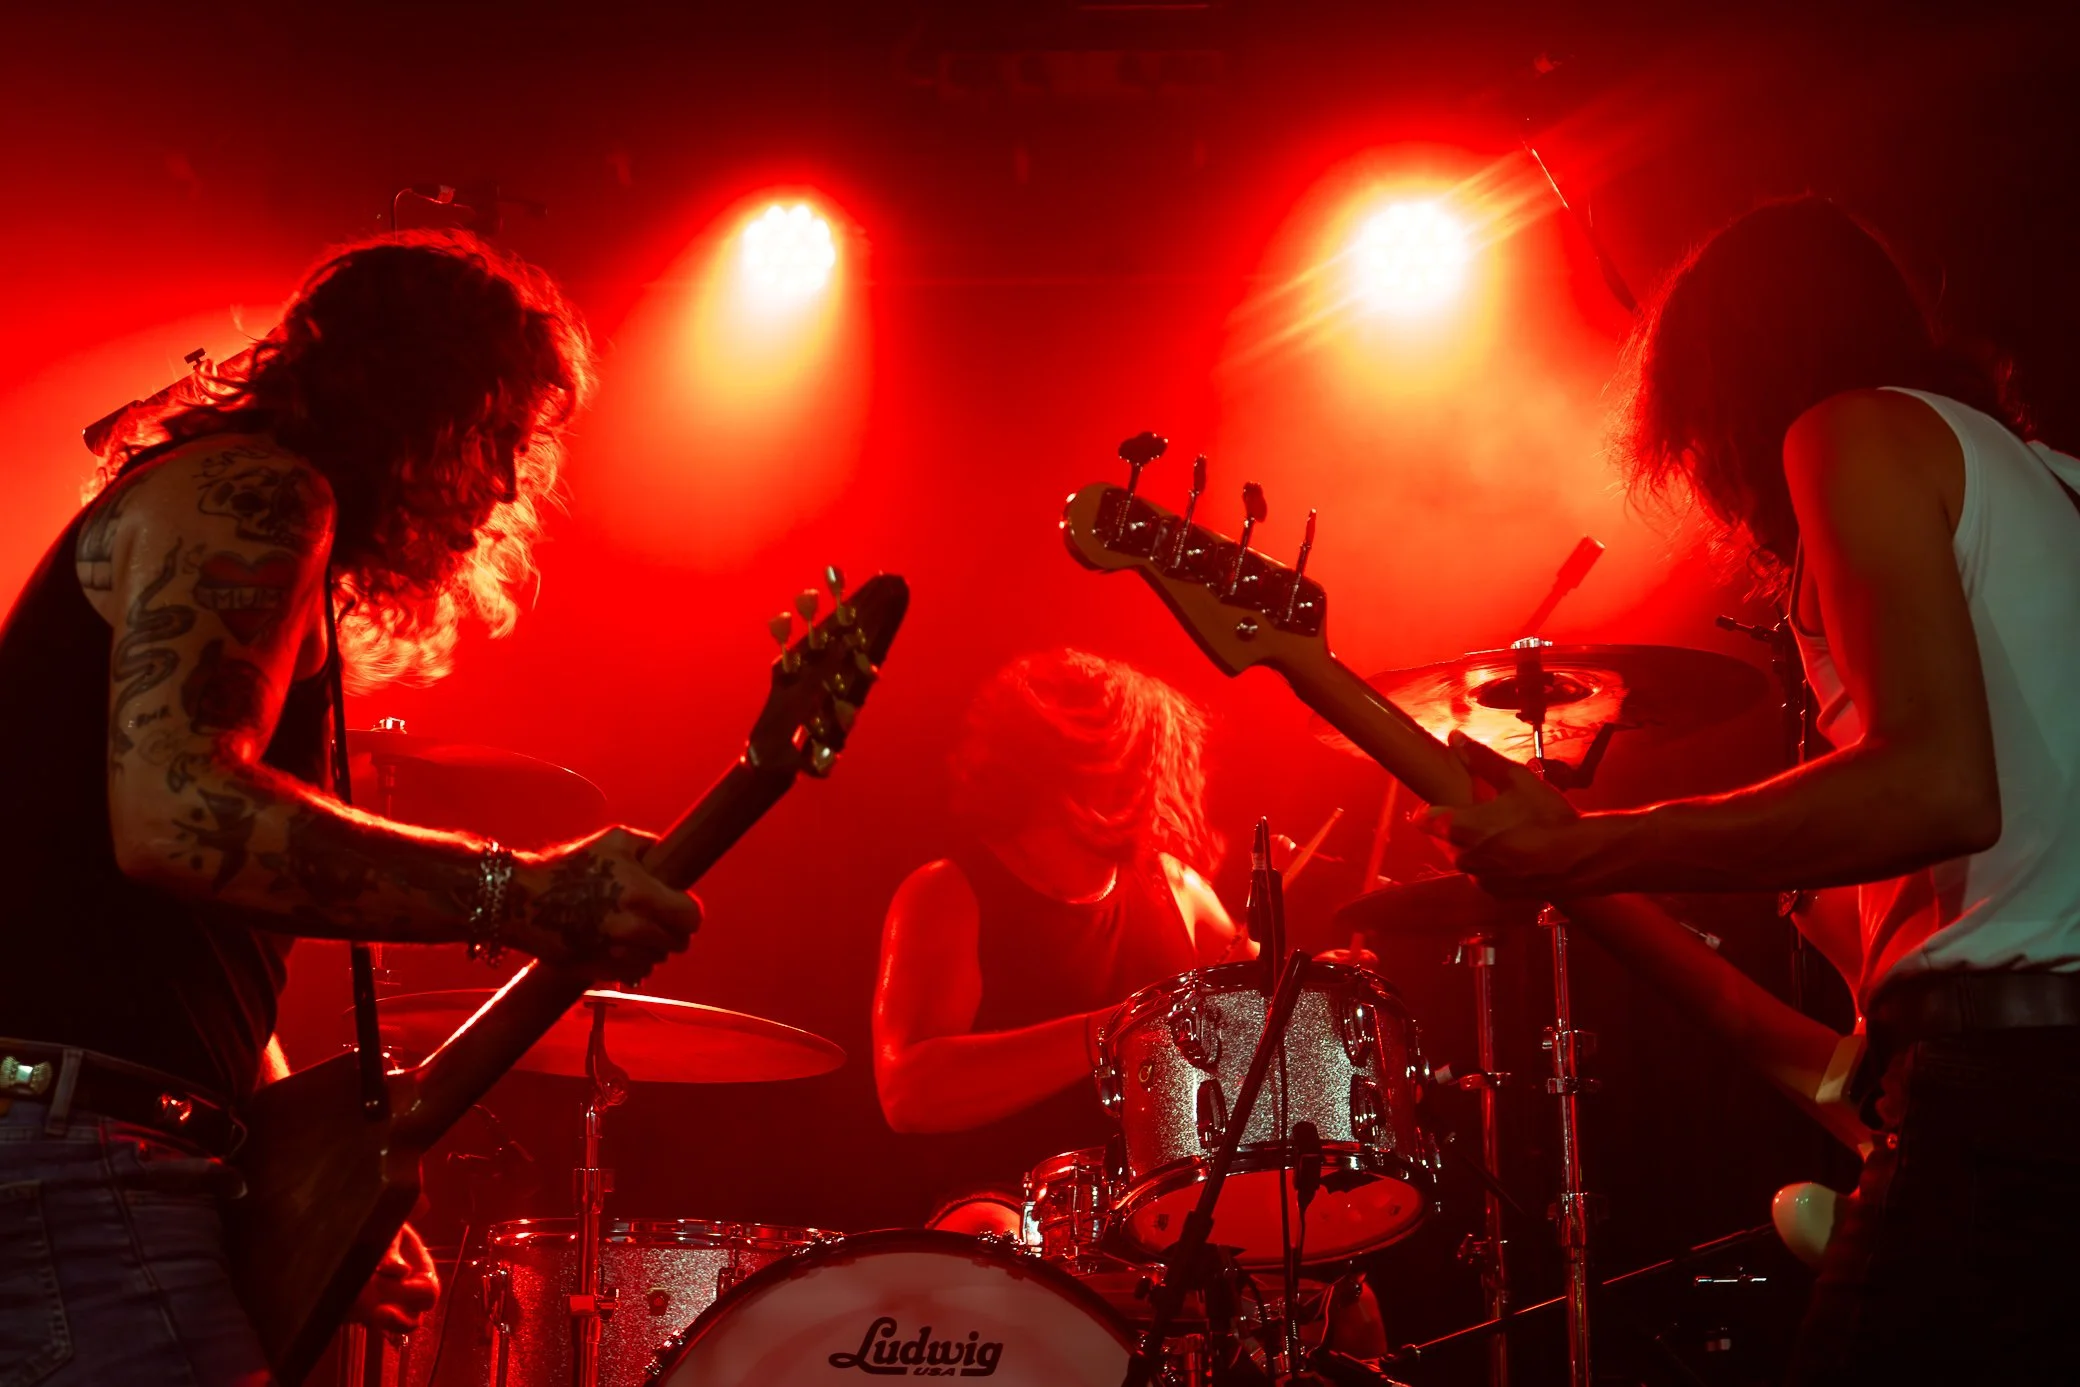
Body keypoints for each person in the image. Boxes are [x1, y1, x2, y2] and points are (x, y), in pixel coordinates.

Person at [0, 232, 700, 1386]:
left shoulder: (241, 509)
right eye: (499, 440)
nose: (507, 487)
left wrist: (305, 1181)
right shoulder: (252, 492)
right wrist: (521, 892)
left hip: (85, 1138)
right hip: (75, 1155)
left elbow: (189, 956)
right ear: (428, 409)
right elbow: (177, 815)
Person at [1427, 197, 2080, 1384]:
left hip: (2017, 1100)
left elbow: (1937, 786)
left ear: (1718, 398)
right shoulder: (2048, 483)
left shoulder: (1845, 429)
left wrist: (1586, 848)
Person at [872, 649, 1245, 1215]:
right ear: (1086, 769)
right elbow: (909, 1094)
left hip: (1164, 1202)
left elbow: (1258, 1008)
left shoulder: (1177, 887)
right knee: (985, 1230)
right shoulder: (947, 892)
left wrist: (1320, 984)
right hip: (1007, 1212)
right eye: (1142, 764)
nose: (1158, 786)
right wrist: (1114, 1030)